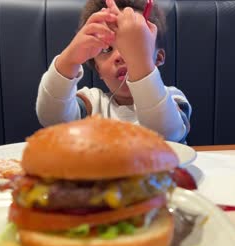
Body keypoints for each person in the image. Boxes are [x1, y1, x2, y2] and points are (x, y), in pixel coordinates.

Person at [36, 0, 191, 143]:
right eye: (107, 49)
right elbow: (52, 119)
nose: (120, 56)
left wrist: (140, 64)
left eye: (132, 46)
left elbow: (167, 135)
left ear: (158, 58)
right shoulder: (93, 103)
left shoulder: (171, 99)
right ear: (99, 70)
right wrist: (69, 60)